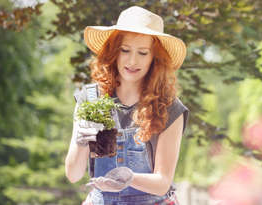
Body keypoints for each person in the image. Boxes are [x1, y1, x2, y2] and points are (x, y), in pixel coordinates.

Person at [64, 6, 189, 205]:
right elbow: (73, 174)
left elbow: (162, 182)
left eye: (142, 53)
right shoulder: (90, 100)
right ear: (114, 52)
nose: (132, 61)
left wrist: (129, 178)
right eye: (125, 50)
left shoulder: (167, 107)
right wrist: (83, 138)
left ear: (154, 58)